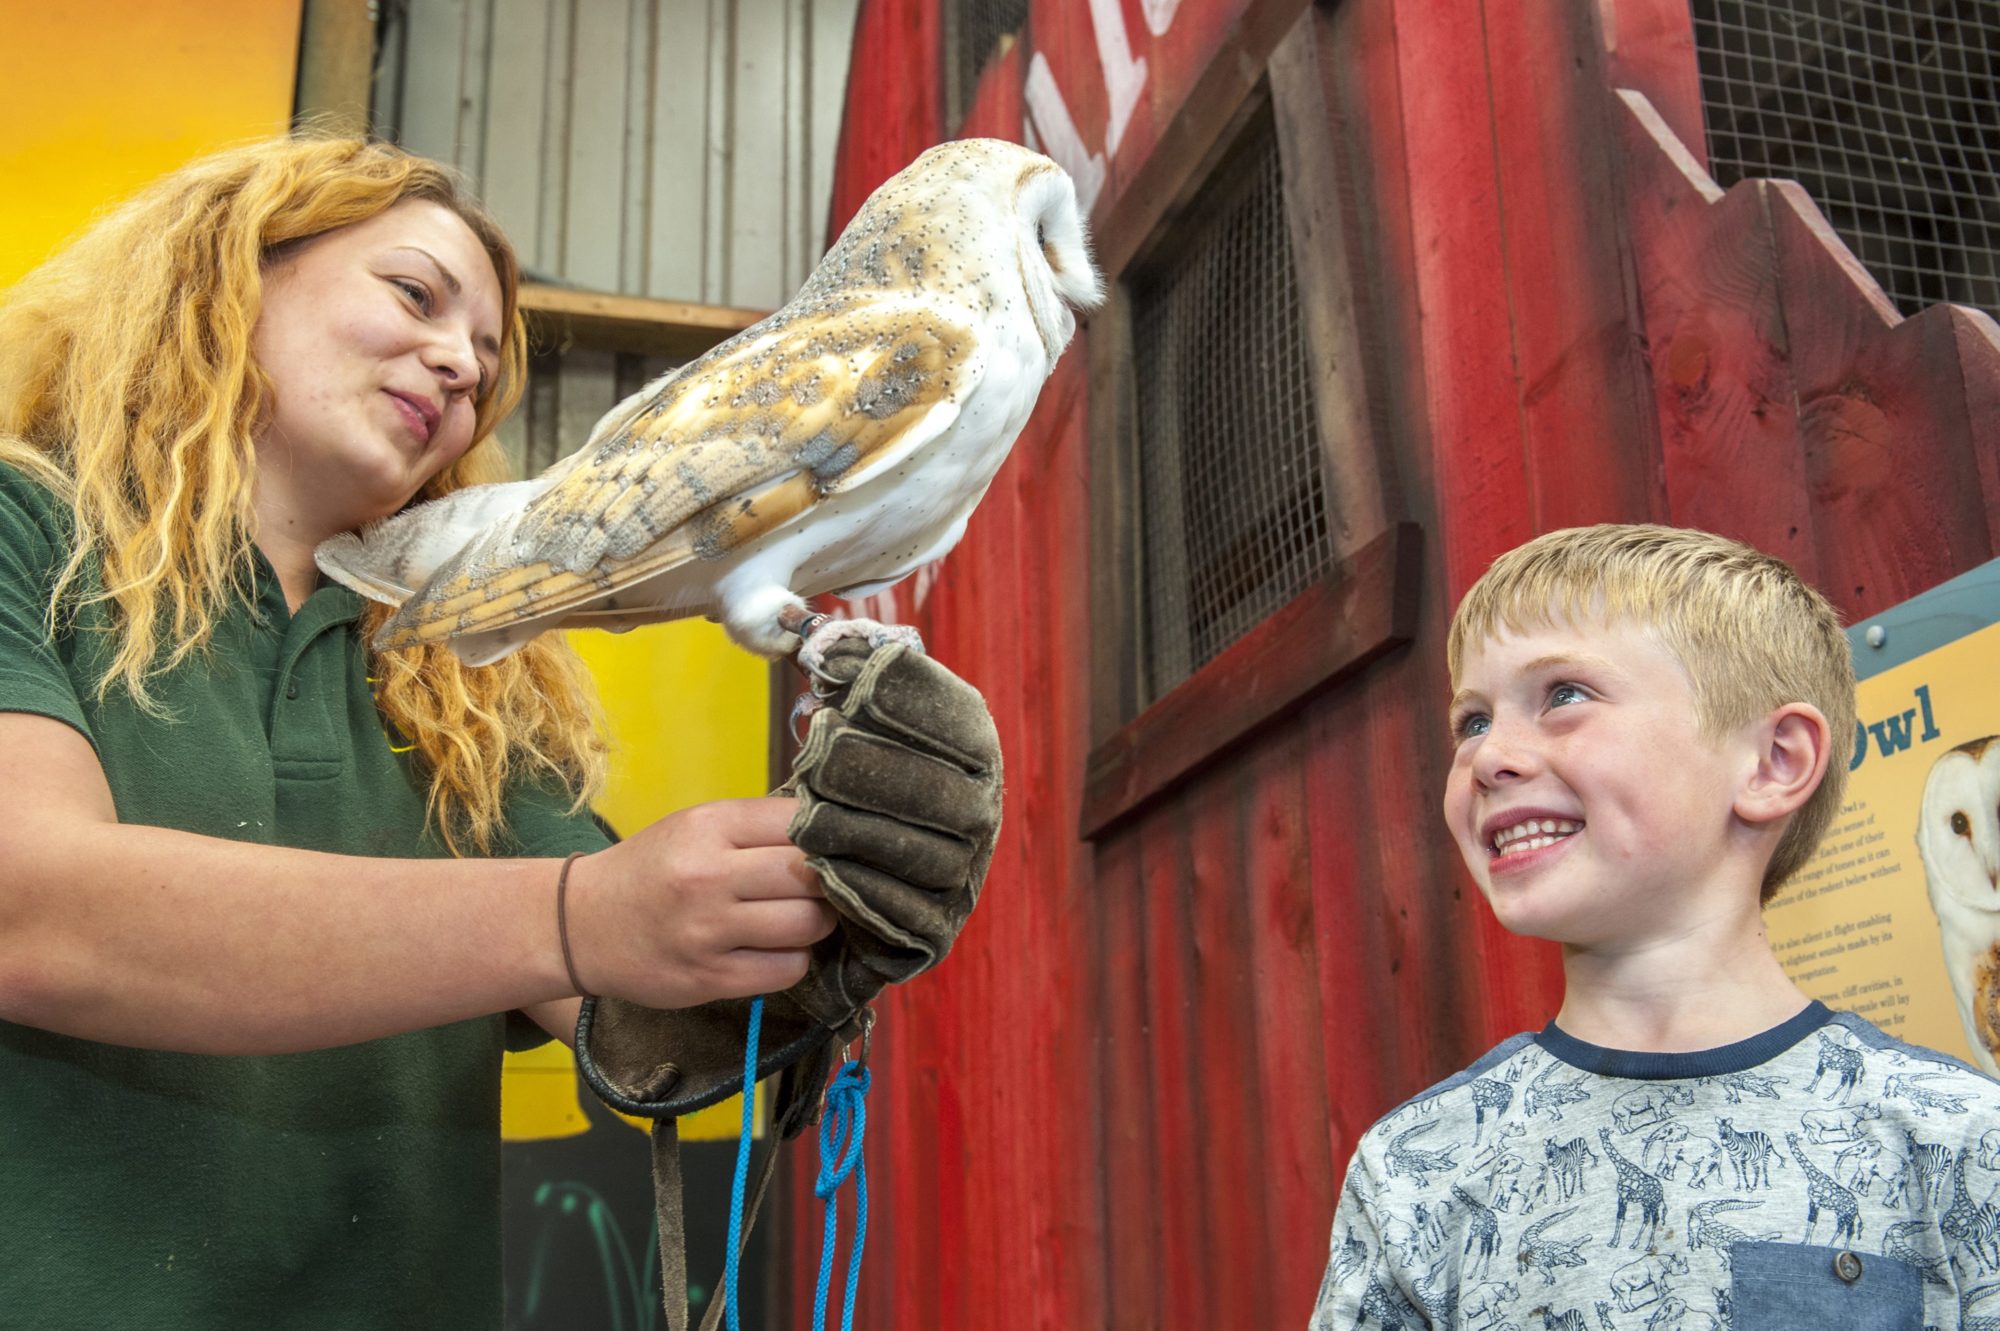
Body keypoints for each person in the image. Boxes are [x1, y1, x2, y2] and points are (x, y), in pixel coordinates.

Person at [0, 137, 845, 1329]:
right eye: (413, 295)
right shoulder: (22, 533)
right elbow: (28, 909)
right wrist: (576, 914)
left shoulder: (466, 677)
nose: (458, 363)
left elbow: (644, 1026)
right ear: (232, 273)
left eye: (486, 360)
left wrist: (818, 917)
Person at [1308, 524, 2000, 1330]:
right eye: (1471, 721)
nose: (1488, 756)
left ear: (1774, 761)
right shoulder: (1416, 1169)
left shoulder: (1957, 1140)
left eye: (1564, 694)